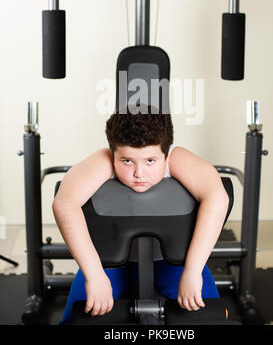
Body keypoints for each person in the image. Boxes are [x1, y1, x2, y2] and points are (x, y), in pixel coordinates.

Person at [53, 106, 229, 324]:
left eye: (150, 161)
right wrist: (94, 275)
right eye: (127, 161)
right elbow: (64, 203)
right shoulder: (104, 160)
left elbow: (217, 197)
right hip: (109, 265)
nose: (139, 173)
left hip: (171, 264)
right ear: (114, 153)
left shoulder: (176, 158)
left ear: (165, 153)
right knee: (74, 321)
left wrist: (193, 271)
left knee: (212, 319)